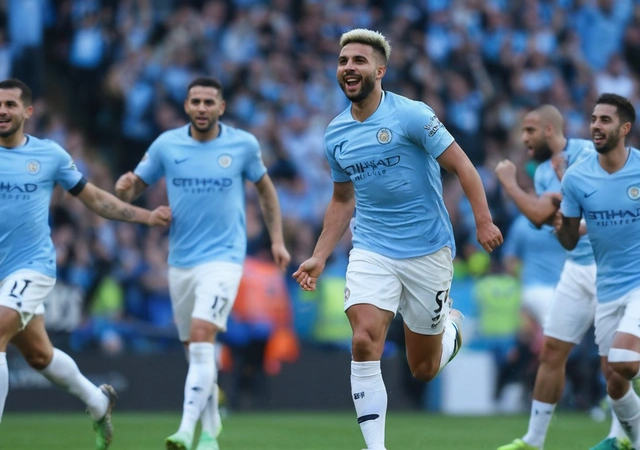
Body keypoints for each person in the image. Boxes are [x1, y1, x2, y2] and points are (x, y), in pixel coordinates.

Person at [293, 28, 503, 450]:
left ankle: (453, 327)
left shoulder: (411, 115)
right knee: (363, 337)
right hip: (372, 247)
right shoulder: (335, 134)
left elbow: (463, 167)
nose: (349, 67)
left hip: (428, 249)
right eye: (343, 61)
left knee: (422, 369)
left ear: (380, 70)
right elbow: (341, 200)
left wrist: (483, 222)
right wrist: (318, 255)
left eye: (359, 61)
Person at [115, 76, 290, 450]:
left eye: (209, 102)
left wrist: (276, 240)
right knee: (197, 351)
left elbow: (266, 192)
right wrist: (125, 187)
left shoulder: (242, 145)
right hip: (180, 263)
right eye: (195, 101)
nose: (202, 108)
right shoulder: (167, 144)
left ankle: (185, 430)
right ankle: (212, 432)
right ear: (187, 106)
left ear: (221, 108)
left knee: (201, 337)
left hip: (224, 260)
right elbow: (133, 187)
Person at [0, 78, 172, 450]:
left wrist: (144, 217)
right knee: (38, 354)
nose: (2, 110)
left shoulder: (49, 156)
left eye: (11, 104)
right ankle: (97, 400)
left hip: (31, 266)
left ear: (27, 111)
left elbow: (96, 200)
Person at [494, 104, 627, 450]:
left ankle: (622, 435)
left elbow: (607, 198)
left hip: (607, 267)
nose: (524, 139)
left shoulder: (586, 152)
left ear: (549, 131)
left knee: (614, 362)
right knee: (552, 351)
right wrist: (517, 187)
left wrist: (509, 182)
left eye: (529, 131)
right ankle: (533, 440)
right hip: (575, 268)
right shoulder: (541, 173)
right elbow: (541, 215)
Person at [556, 93, 640, 450]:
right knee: (615, 383)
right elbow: (570, 240)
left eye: (604, 120)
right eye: (593, 119)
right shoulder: (575, 179)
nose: (595, 126)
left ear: (625, 128)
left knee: (625, 360)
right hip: (607, 286)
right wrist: (562, 223)